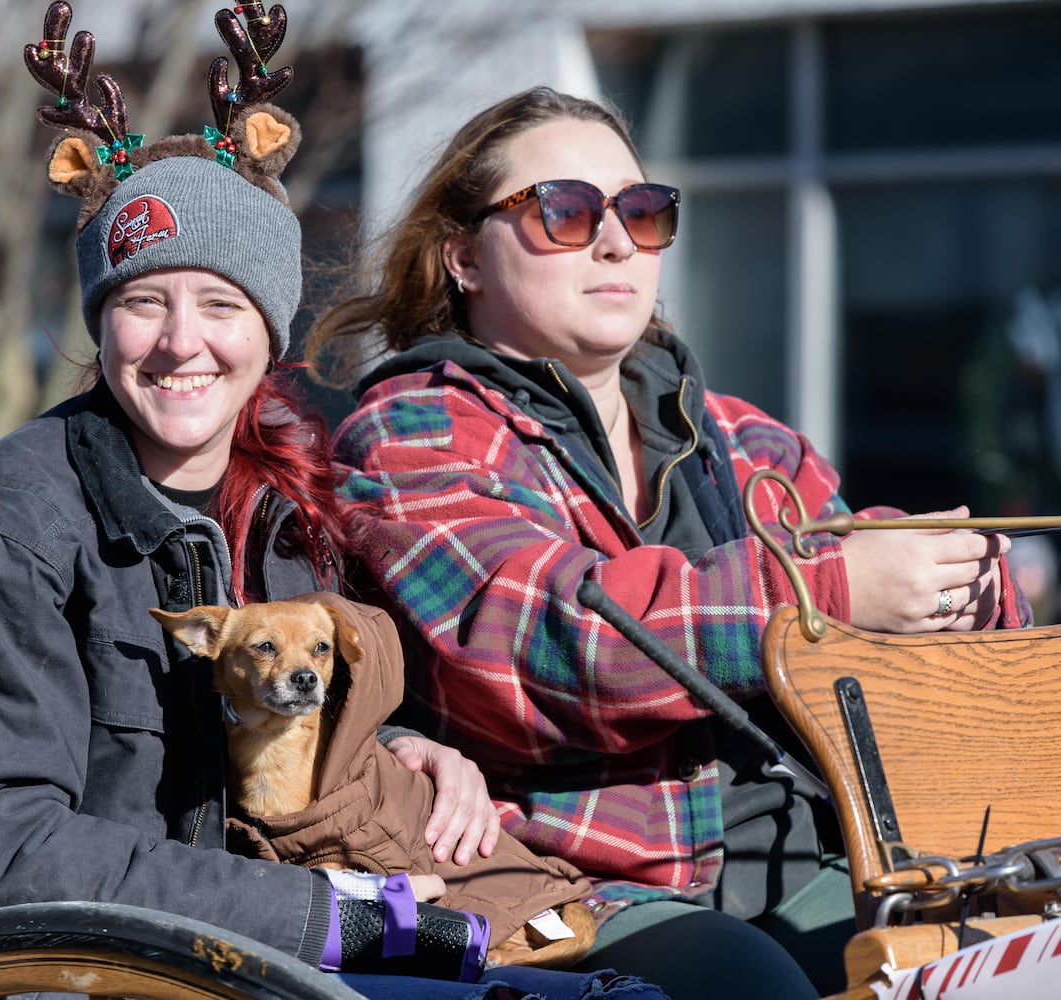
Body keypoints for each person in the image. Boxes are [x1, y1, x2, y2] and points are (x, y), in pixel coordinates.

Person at [0, 9, 665, 1000]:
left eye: (220, 304)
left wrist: (401, 747)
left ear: (268, 328)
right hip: (22, 970)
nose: (178, 341)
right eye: (140, 302)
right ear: (99, 322)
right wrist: (339, 919)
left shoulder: (274, 509)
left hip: (208, 952)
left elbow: (267, 729)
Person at [307, 86, 1030, 1000]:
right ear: (462, 257)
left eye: (643, 213)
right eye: (564, 212)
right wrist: (827, 592)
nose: (616, 242)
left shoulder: (745, 442)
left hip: (819, 855)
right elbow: (536, 651)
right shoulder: (411, 432)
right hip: (568, 888)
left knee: (1005, 962)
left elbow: (885, 617)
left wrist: (958, 585)